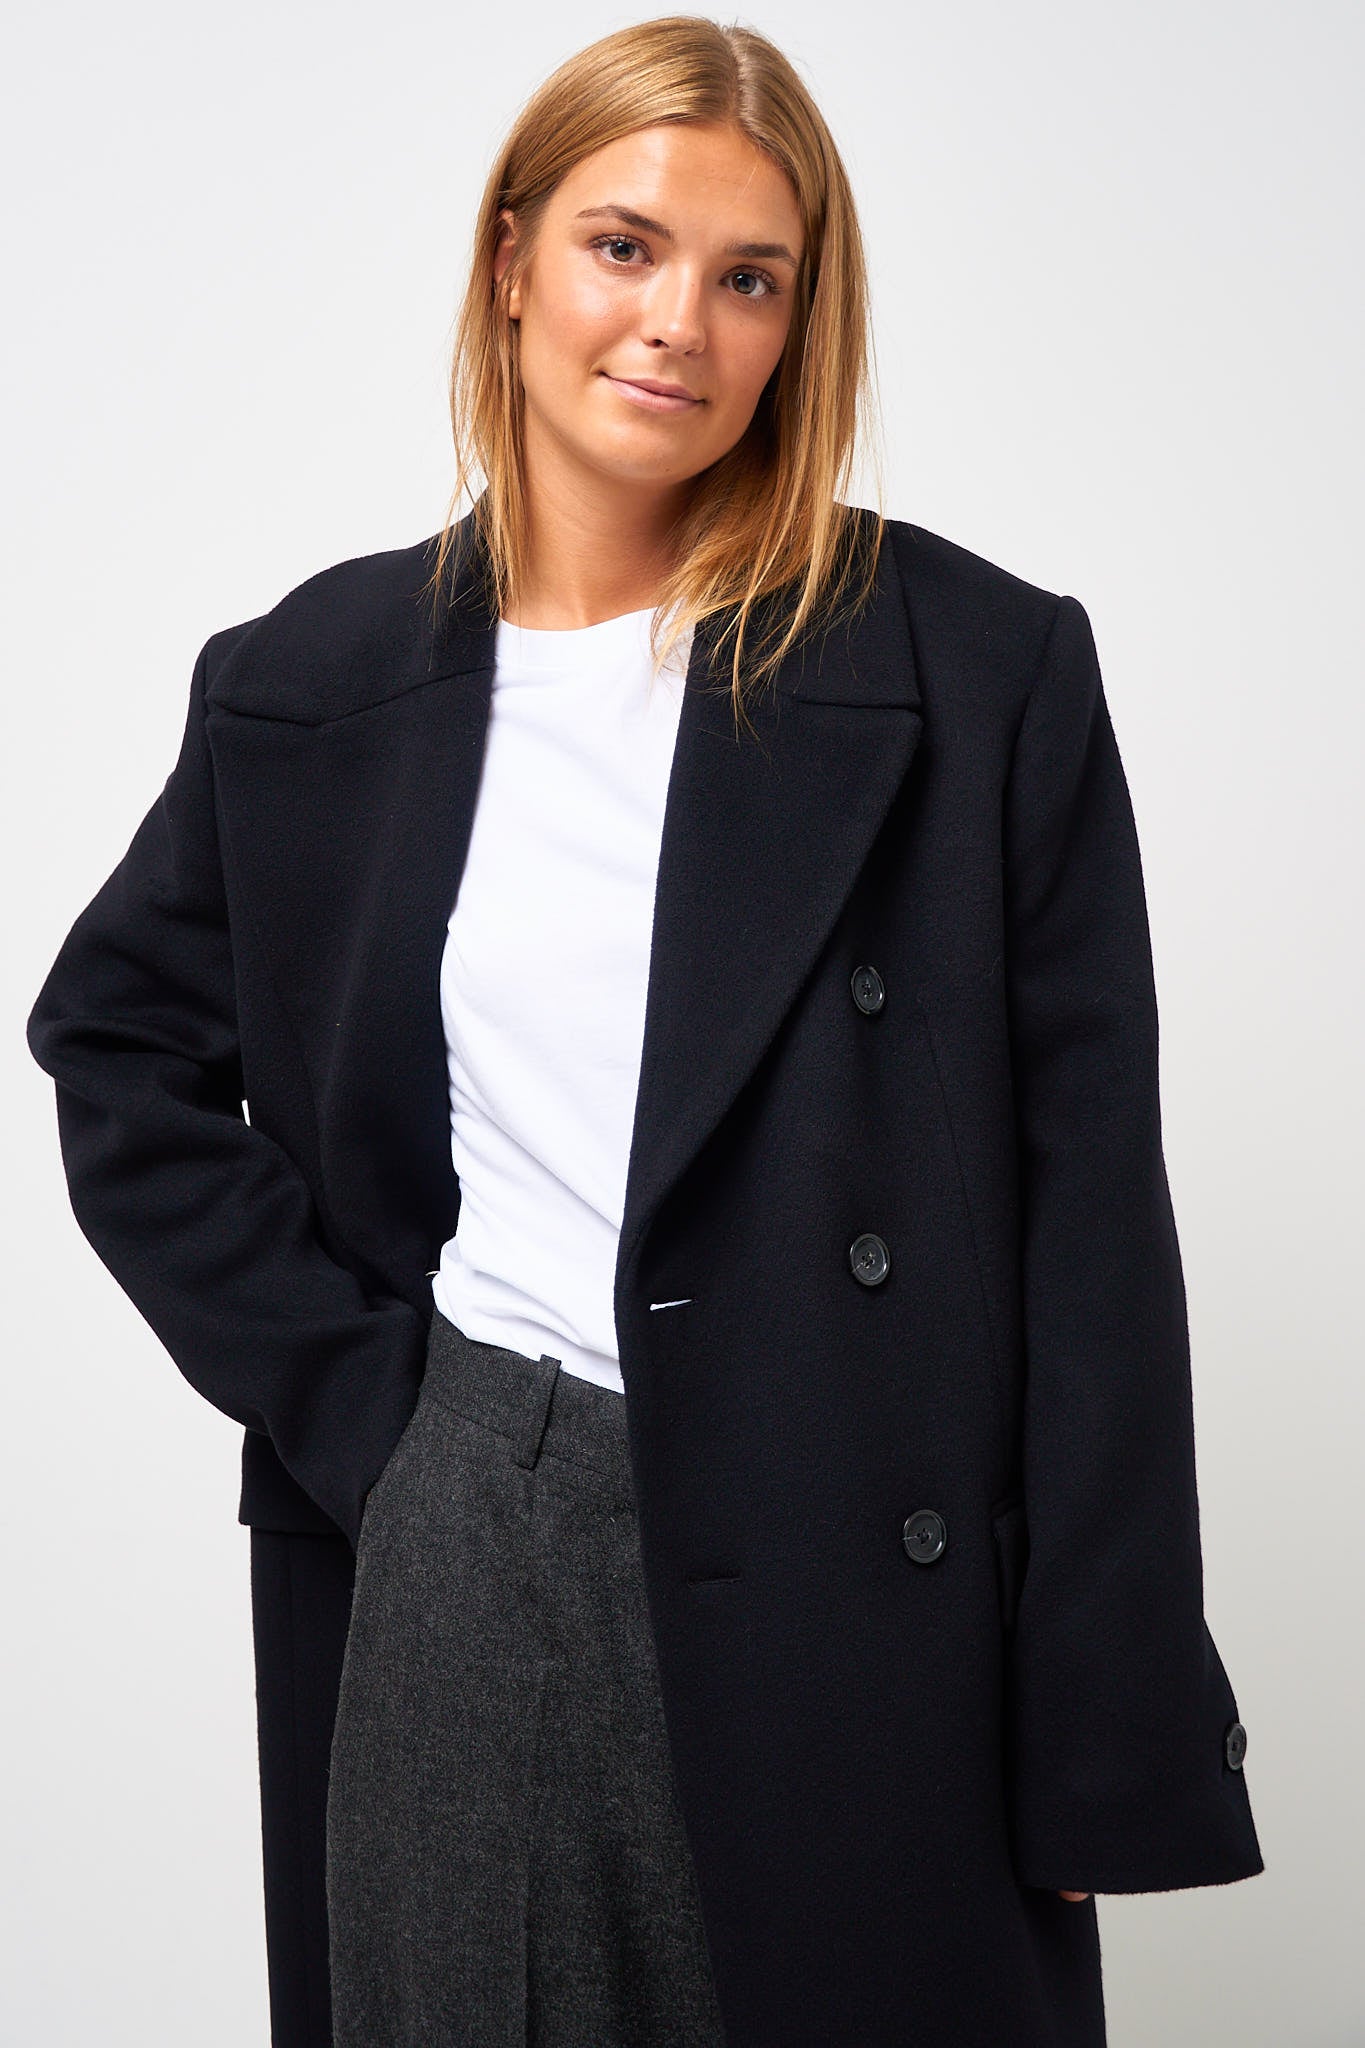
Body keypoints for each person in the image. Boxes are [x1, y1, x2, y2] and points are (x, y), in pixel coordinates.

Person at [25, 14, 1264, 2047]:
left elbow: (1091, 1224)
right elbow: (117, 1044)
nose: (679, 321)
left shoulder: (977, 672)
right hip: (479, 1541)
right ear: (511, 258)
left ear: (797, 326)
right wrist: (376, 1415)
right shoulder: (308, 683)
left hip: (861, 1576)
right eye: (624, 246)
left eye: (748, 276)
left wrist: (1100, 1702)